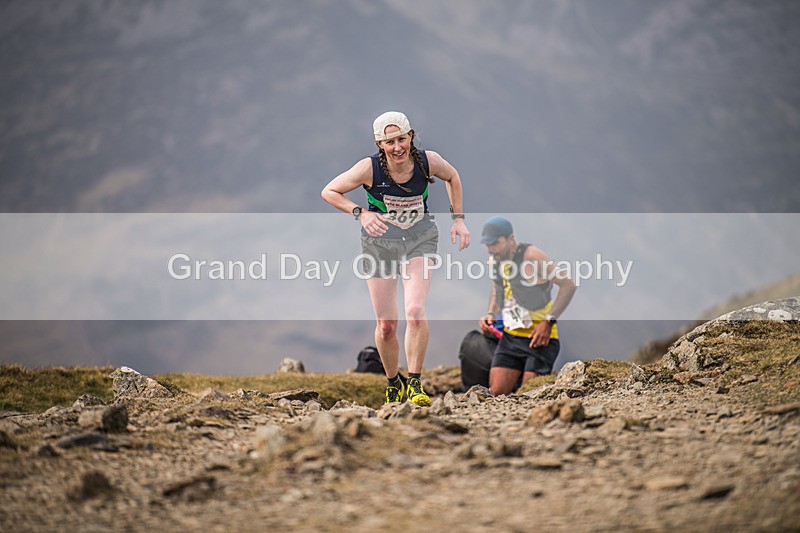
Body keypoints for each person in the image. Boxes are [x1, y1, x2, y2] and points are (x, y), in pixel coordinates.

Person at [321, 111, 470, 405]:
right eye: (389, 142)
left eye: (401, 139)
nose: (397, 147)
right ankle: (393, 383)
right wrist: (360, 213)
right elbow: (330, 191)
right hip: (380, 244)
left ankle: (415, 383)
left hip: (420, 238)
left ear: (411, 136)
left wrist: (459, 220)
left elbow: (453, 176)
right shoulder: (368, 169)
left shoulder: (429, 162)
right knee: (387, 324)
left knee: (415, 310)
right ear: (380, 144)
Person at [477, 216, 576, 396]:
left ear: (510, 239)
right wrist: (490, 314)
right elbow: (497, 288)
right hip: (510, 338)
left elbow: (568, 284)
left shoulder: (531, 256)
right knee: (495, 395)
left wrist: (548, 322)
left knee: (528, 396)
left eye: (494, 243)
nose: (490, 249)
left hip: (540, 339)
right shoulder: (495, 260)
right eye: (487, 244)